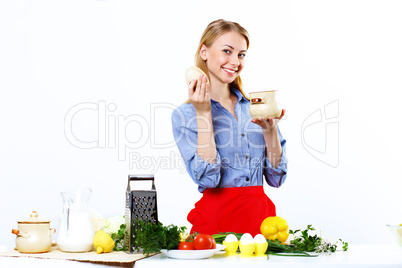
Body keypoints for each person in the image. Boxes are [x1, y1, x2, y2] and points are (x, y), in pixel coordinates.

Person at [171, 19, 287, 236]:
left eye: (241, 54)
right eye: (227, 51)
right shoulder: (184, 115)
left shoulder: (256, 107)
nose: (235, 61)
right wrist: (204, 113)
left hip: (262, 226)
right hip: (215, 229)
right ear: (204, 52)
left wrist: (270, 132)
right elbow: (208, 179)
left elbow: (276, 178)